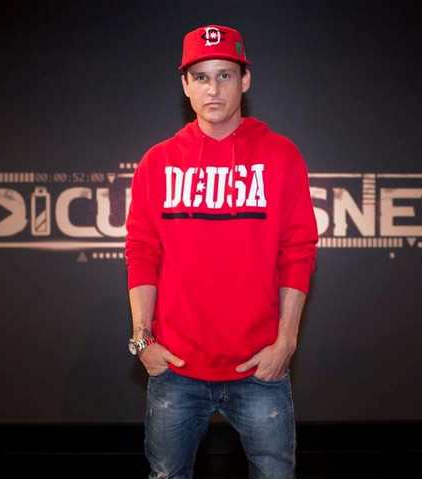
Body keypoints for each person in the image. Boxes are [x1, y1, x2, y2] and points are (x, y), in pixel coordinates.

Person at [124, 24, 318, 479]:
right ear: (185, 85)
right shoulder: (157, 162)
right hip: (176, 368)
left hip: (259, 369)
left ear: (245, 81)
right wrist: (142, 339)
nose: (213, 88)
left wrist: (286, 342)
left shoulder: (281, 155)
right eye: (201, 77)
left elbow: (298, 250)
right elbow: (142, 252)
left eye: (225, 75)